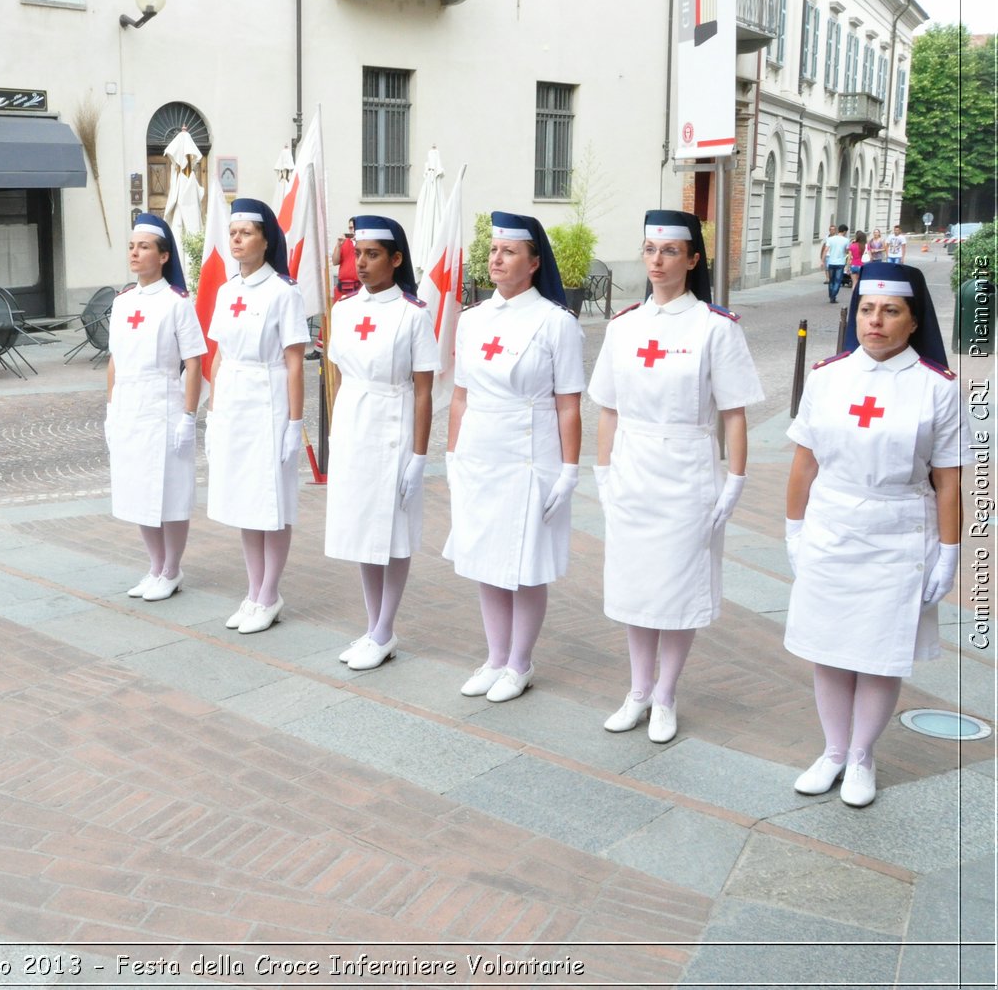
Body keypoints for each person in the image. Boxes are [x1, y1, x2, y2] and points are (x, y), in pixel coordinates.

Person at [784, 262, 965, 807]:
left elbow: (949, 480)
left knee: (880, 652)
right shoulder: (827, 376)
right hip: (832, 525)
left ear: (914, 321)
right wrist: (794, 530)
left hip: (900, 533)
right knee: (829, 646)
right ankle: (833, 749)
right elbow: (802, 465)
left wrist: (950, 555)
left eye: (890, 311)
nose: (876, 321)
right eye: (866, 309)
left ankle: (862, 755)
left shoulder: (938, 388)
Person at [589, 210, 764, 742]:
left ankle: (666, 694)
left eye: (669, 251)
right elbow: (608, 410)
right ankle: (638, 690)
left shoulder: (715, 328)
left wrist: (734, 480)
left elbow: (733, 413)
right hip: (633, 467)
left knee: (679, 587)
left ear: (691, 259)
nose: (657, 261)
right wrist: (601, 473)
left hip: (689, 470)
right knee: (637, 586)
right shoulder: (623, 327)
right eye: (649, 250)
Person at [445, 211, 584, 700]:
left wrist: (569, 469)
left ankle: (519, 663)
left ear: (532, 261)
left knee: (524, 562)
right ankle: (494, 655)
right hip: (480, 452)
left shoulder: (555, 323)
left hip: (530, 455)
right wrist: (452, 454)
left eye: (508, 251)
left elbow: (568, 404)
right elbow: (460, 395)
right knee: (486, 557)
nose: (497, 259)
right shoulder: (472, 320)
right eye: (493, 251)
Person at [325, 216, 439, 671]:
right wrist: (335, 429)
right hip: (355, 424)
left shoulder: (414, 314)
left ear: (396, 259)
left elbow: (424, 388)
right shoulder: (345, 310)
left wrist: (418, 456)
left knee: (390, 531)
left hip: (393, 425)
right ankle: (373, 626)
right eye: (358, 254)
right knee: (361, 530)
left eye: (373, 255)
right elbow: (336, 375)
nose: (363, 263)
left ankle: (385, 627)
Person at [205, 198, 308, 635]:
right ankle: (252, 591)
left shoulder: (284, 292)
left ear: (266, 239)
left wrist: (295, 425)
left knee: (272, 500)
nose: (237, 240)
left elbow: (296, 361)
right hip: (233, 398)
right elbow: (217, 356)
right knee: (244, 500)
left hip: (269, 399)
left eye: (246, 233)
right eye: (233, 233)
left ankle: (270, 592)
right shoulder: (227, 291)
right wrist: (211, 415)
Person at [107, 215, 206, 602]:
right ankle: (154, 565)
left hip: (163, 403)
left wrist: (188, 416)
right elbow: (114, 359)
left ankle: (172, 568)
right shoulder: (122, 302)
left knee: (170, 491)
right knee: (136, 489)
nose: (135, 252)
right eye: (132, 245)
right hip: (129, 404)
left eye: (144, 246)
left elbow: (195, 361)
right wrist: (111, 409)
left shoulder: (177, 303)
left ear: (164, 255)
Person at [333, 217, 360, 300]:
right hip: (343, 287)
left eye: (355, 227)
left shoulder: (364, 242)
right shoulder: (343, 242)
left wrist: (359, 242)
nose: (353, 230)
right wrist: (338, 245)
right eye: (350, 228)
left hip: (360, 286)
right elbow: (335, 262)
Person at [822, 225, 850, 304]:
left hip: (831, 262)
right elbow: (847, 251)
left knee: (831, 280)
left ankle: (831, 295)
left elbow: (826, 250)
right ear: (844, 231)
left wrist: (822, 260)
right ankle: (833, 295)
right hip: (840, 263)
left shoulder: (830, 239)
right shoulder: (846, 240)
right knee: (838, 281)